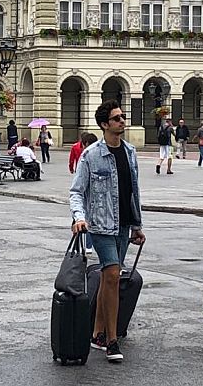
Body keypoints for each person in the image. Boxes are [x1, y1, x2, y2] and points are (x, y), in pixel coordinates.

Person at [70, 99, 145, 363]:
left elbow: (133, 192)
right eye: (117, 118)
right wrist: (79, 218)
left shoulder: (130, 151)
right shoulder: (91, 155)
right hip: (100, 225)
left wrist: (137, 225)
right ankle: (112, 341)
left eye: (123, 117)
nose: (122, 121)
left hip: (123, 225)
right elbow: (76, 192)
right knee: (112, 273)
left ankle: (97, 333)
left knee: (108, 279)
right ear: (104, 124)